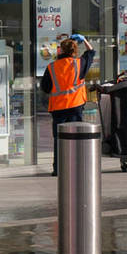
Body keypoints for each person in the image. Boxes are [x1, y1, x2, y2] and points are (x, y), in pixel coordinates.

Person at [41, 33, 95, 175]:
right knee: (76, 138)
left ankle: (58, 169)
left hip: (58, 108)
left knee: (59, 139)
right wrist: (84, 40)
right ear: (74, 51)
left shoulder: (51, 67)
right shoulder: (79, 63)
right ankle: (77, 168)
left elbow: (45, 88)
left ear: (61, 50)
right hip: (76, 107)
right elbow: (91, 52)